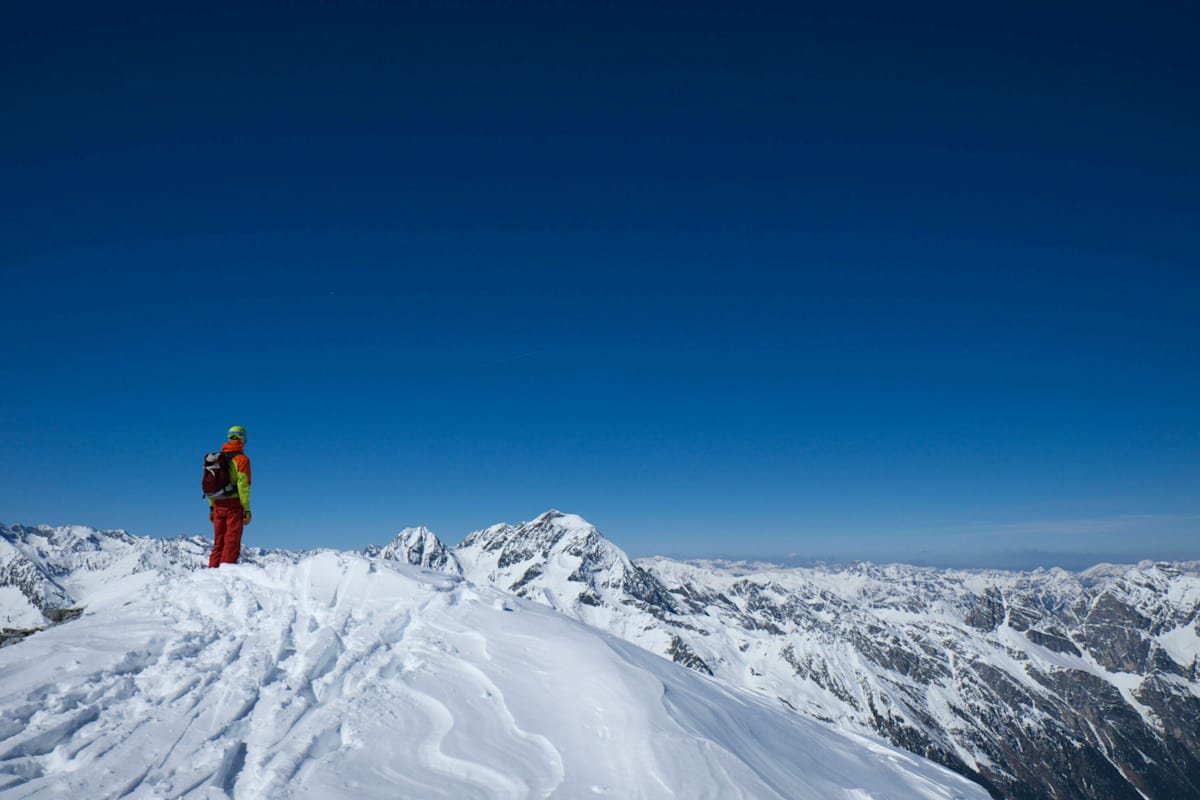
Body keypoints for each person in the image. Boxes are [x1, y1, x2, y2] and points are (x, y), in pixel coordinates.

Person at [208, 425, 252, 567]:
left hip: (217, 504)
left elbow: (211, 485)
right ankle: (225, 575)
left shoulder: (217, 459)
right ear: (242, 439)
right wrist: (246, 509)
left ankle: (212, 572)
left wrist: (211, 507)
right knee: (231, 541)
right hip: (233, 505)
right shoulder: (242, 460)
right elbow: (243, 486)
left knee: (218, 541)